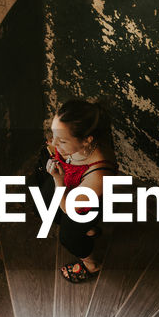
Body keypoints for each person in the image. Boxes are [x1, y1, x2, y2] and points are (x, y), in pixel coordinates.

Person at [39, 99, 117, 283]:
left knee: (68, 237)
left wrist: (58, 180)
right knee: (44, 202)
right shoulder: (78, 138)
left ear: (86, 140)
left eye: (62, 140)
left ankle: (91, 264)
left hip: (82, 205)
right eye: (53, 133)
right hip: (70, 184)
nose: (53, 142)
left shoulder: (99, 175)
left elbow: (70, 209)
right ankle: (88, 230)